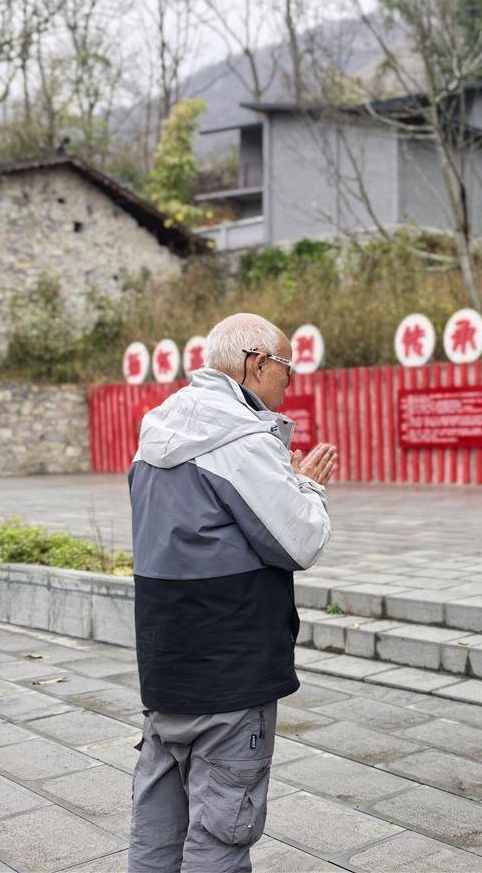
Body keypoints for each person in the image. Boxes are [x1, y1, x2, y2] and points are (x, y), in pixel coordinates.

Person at [127, 313, 338, 873]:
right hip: (231, 667)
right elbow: (299, 542)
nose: (288, 385)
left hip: (165, 663)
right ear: (257, 363)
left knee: (157, 828)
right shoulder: (240, 441)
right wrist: (308, 488)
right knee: (222, 832)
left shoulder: (155, 432)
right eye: (286, 371)